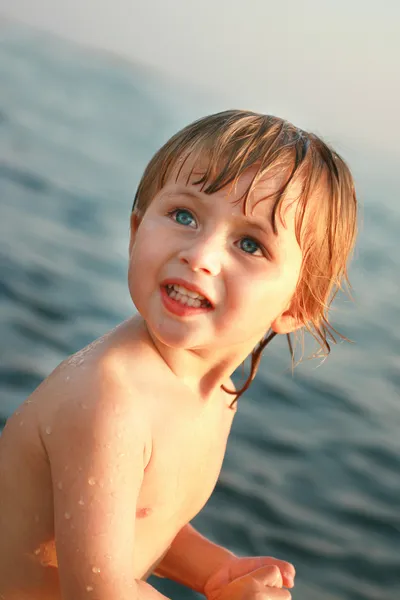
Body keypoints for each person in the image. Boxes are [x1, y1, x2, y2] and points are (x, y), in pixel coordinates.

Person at [0, 109, 357, 600]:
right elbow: (96, 591)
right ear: (134, 231)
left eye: (250, 244)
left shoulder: (214, 392)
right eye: (184, 216)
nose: (201, 255)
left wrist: (216, 570)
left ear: (297, 305)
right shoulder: (110, 399)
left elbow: (137, 519)